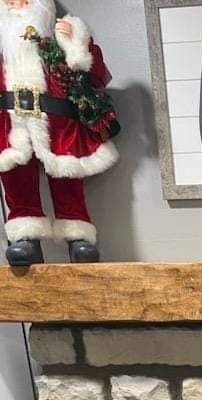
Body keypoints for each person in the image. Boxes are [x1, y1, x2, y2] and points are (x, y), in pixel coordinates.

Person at [0, 0, 119, 265]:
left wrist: (76, 43)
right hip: (11, 122)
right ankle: (25, 237)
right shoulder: (3, 43)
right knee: (16, 176)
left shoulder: (57, 33)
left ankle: (78, 235)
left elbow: (97, 74)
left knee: (66, 174)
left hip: (58, 120)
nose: (16, 5)